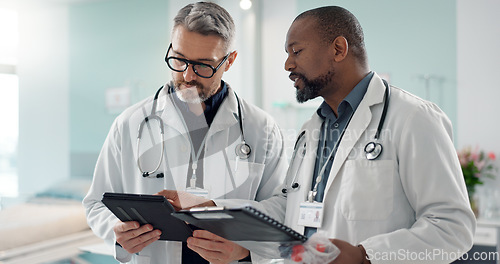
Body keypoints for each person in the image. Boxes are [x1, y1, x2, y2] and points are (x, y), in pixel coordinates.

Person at [161, 5, 476, 264]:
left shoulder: (413, 118)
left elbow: (452, 227)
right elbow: (288, 210)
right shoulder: (311, 130)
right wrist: (209, 208)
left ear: (338, 49)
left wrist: (368, 256)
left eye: (296, 51)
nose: (287, 64)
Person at [82, 2, 288, 264]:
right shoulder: (130, 124)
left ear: (230, 60)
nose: (188, 75)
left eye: (203, 65)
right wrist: (116, 232)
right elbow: (95, 203)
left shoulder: (261, 128)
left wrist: (246, 249)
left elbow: (282, 209)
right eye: (179, 59)